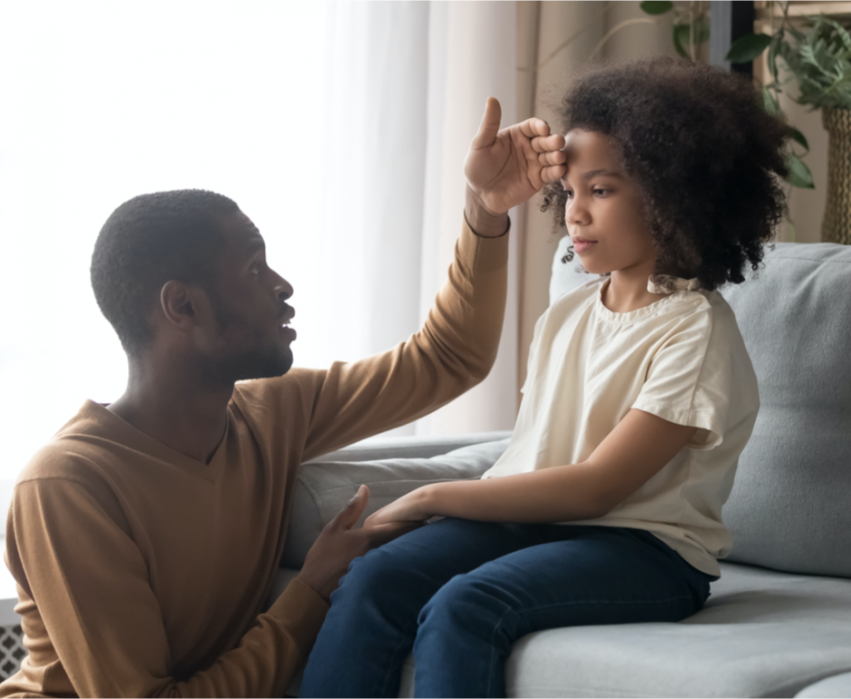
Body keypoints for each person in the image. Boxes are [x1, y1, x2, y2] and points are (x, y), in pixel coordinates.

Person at [0, 98, 568, 698]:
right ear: (183, 306)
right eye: (253, 269)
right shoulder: (69, 488)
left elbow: (448, 358)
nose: (283, 286)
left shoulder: (272, 413)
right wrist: (310, 593)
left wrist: (484, 210)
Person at [299, 57, 789, 698]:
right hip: (540, 524)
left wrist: (428, 497)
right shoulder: (569, 313)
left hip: (646, 551)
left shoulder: (693, 331)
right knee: (373, 577)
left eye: (603, 190)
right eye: (571, 191)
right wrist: (486, 200)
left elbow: (594, 490)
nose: (575, 214)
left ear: (673, 197)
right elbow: (534, 462)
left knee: (465, 606)